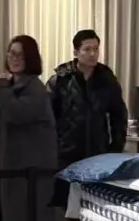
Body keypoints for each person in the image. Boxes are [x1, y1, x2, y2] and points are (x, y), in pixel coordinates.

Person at [0, 35, 66, 221]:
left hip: (31, 173)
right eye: (11, 53)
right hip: (14, 168)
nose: (14, 58)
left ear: (30, 58)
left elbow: (16, 113)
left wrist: (0, 88)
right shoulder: (14, 86)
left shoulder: (35, 88)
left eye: (20, 55)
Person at [49, 29, 128, 168]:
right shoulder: (61, 80)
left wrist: (115, 149)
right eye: (87, 49)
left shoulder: (107, 79)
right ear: (76, 52)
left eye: (96, 49)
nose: (92, 54)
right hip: (66, 156)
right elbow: (47, 118)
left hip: (98, 154)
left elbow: (119, 116)